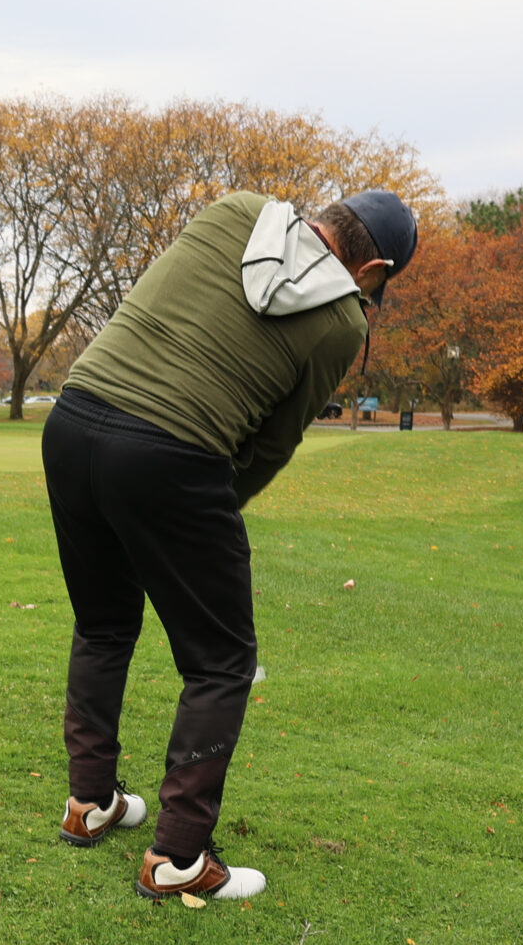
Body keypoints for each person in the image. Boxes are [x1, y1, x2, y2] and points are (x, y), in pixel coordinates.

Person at [43, 188, 418, 900]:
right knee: (223, 662)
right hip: (169, 455)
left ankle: (89, 806)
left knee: (103, 622)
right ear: (374, 265)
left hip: (72, 420)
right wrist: (199, 514)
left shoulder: (236, 208)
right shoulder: (342, 319)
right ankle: (180, 859)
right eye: (381, 285)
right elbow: (270, 445)